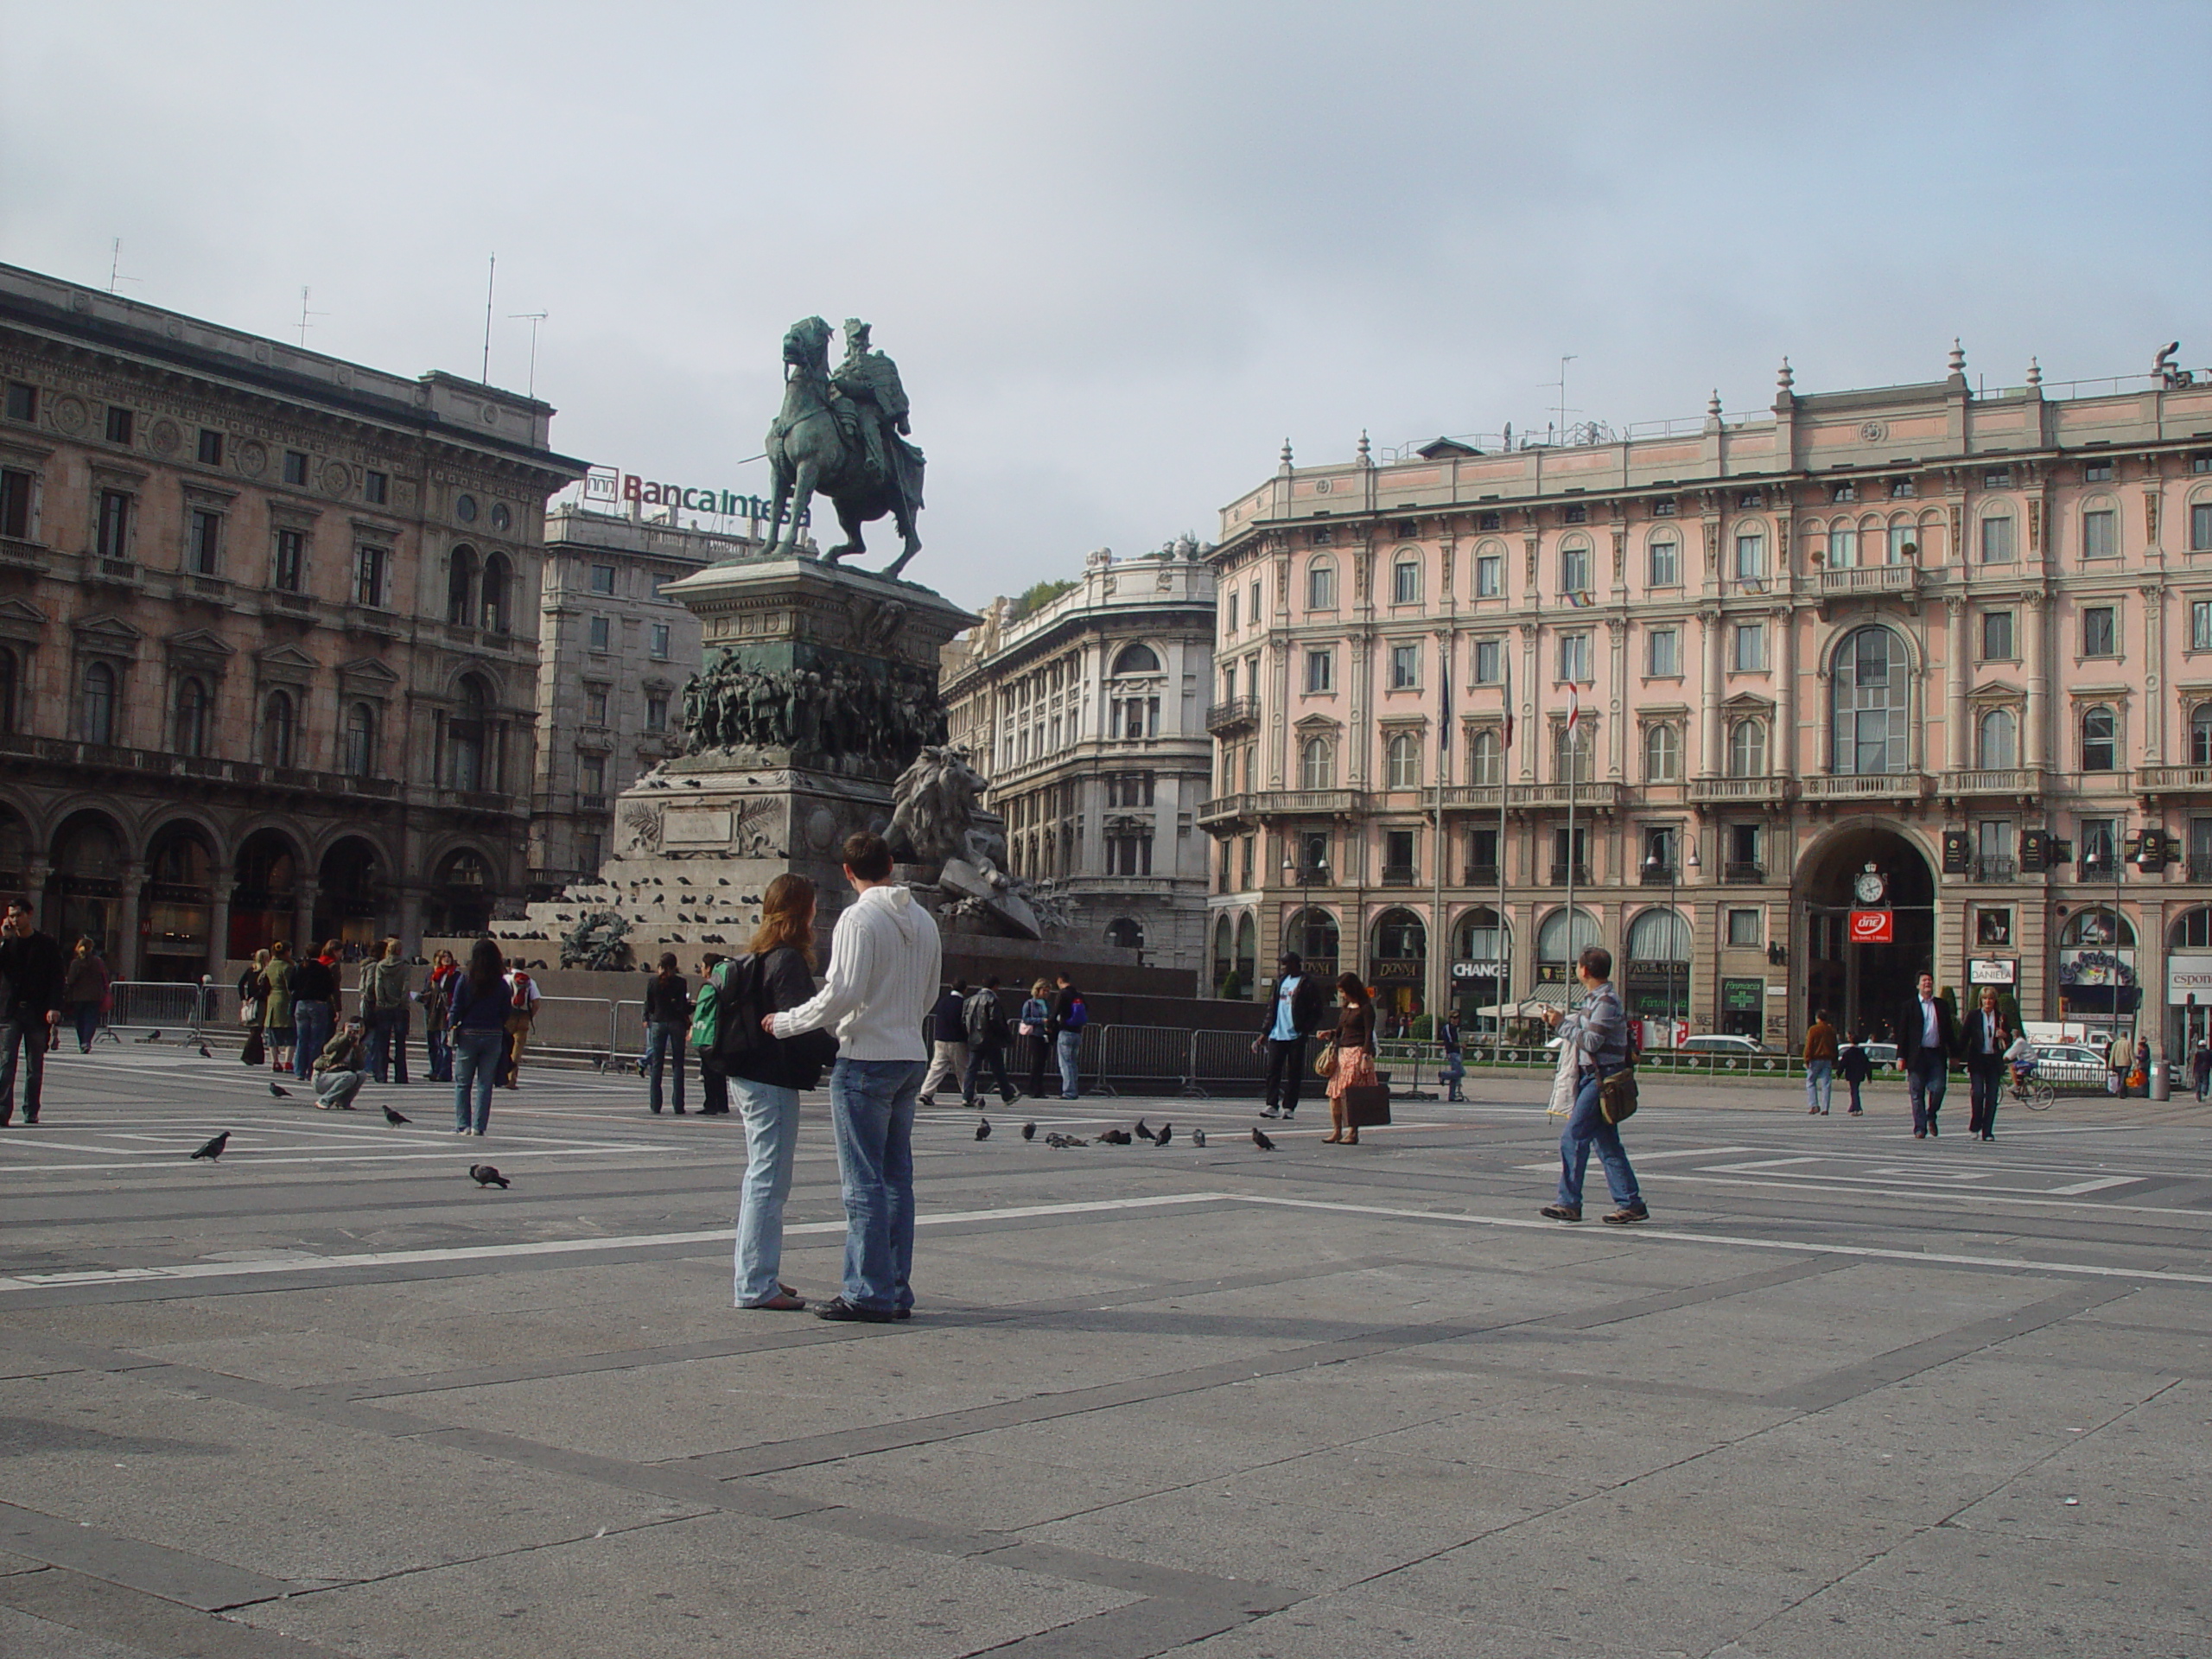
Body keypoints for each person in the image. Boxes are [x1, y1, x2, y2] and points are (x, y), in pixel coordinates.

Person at [765, 831, 941, 1323]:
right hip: (910, 1055)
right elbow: (929, 992)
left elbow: (841, 994)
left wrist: (786, 1022)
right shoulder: (924, 920)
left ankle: (866, 1292)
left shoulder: (858, 918)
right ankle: (895, 1290)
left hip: (866, 1058)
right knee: (895, 1180)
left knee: (862, 1182)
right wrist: (903, 1023)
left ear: (848, 871)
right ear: (890, 864)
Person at [725, 875, 836, 1310]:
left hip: (749, 1075)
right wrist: (841, 1052)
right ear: (802, 912)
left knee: (762, 1179)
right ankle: (755, 1283)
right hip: (770, 1080)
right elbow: (799, 1026)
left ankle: (759, 1272)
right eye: (812, 907)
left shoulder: (761, 953)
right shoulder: (787, 960)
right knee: (769, 1183)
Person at [1538, 946, 1647, 1224]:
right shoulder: (1594, 1000)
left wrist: (1562, 1024)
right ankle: (1631, 1203)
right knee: (1607, 1145)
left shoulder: (1606, 1001)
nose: (1577, 969)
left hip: (1602, 1079)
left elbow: (1591, 1041)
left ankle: (1569, 1202)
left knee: (1573, 1137)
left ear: (1585, 970)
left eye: (1577, 965)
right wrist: (1561, 1023)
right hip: (1593, 1077)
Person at [0, 899, 65, 1126]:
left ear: (29, 915)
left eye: (18, 915)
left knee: (34, 1066)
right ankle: (2, 1112)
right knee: (6, 1063)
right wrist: (4, 941)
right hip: (11, 1012)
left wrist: (54, 1006)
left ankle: (31, 1110)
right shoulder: (8, 943)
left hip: (37, 1012)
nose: (14, 920)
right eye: (11, 916)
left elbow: (57, 978)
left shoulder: (45, 944)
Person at [448, 938, 512, 1135]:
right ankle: (479, 1126)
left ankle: (463, 1125)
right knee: (485, 1084)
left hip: (468, 1033)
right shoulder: (500, 983)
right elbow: (506, 1010)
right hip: (493, 1034)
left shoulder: (466, 979)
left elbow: (456, 1007)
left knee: (463, 1082)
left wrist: (451, 1025)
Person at [1257, 951, 1331, 1121]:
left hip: (1295, 1034)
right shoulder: (1280, 981)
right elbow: (1272, 1008)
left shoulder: (1307, 983)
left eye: (1286, 964)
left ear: (1295, 964)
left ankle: (1289, 1107)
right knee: (1272, 1070)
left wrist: (1305, 1029)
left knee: (1294, 1072)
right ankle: (1271, 1105)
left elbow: (1317, 1009)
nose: (1283, 967)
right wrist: (1265, 1032)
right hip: (1277, 1033)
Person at [1897, 971, 1958, 1138]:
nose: (1927, 983)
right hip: (1917, 1056)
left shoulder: (1942, 1005)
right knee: (1917, 1092)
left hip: (1936, 1055)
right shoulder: (1909, 1006)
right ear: (1918, 985)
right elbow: (1902, 1033)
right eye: (1924, 981)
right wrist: (1901, 1057)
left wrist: (1954, 1054)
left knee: (1939, 1088)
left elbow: (1949, 1031)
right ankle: (1920, 1127)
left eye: (1930, 980)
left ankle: (1931, 1114)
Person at [1322, 972, 1377, 1145]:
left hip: (1357, 1051)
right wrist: (1329, 1034)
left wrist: (1366, 1055)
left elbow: (1369, 1034)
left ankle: (1353, 1132)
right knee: (1335, 1093)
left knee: (1351, 1093)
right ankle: (1337, 1130)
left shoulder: (1366, 1008)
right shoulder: (1346, 1008)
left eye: (1343, 991)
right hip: (1342, 1052)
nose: (1342, 995)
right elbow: (1340, 1031)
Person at [643, 953, 692, 1115]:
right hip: (676, 1022)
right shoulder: (680, 982)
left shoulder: (653, 982)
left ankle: (655, 1105)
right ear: (674, 966)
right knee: (678, 1064)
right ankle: (678, 1105)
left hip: (658, 1022)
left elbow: (649, 1003)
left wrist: (647, 1018)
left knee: (657, 1064)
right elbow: (682, 1006)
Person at [359, 938, 411, 1085]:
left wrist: (382, 1002)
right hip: (401, 1008)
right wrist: (401, 1001)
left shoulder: (380, 966)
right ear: (400, 950)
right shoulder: (405, 966)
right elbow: (406, 986)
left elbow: (378, 986)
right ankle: (401, 1076)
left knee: (382, 1043)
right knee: (400, 1043)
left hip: (383, 1008)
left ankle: (381, 1075)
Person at [961, 975, 1018, 1106]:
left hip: (974, 1039)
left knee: (972, 1068)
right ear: (995, 986)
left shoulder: (969, 1000)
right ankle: (1007, 1095)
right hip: (990, 1039)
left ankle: (967, 1096)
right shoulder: (993, 1000)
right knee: (998, 1068)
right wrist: (1005, 1036)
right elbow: (995, 1020)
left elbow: (964, 1020)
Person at [1961, 988, 2009, 1142]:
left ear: (1995, 1001)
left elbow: (2012, 1040)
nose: (1988, 1002)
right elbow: (1964, 1037)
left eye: (1990, 999)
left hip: (1993, 1060)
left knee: (1992, 1096)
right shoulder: (1974, 1016)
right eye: (1985, 999)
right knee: (1978, 1093)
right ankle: (1975, 1126)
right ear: (1981, 1000)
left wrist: (2005, 1036)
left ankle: (1987, 1131)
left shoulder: (2001, 1017)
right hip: (1977, 1060)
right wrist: (1956, 1055)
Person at [291, 940, 340, 1082]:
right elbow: (330, 988)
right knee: (316, 1040)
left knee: (302, 1039)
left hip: (300, 1005)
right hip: (318, 1005)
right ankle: (312, 1070)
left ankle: (299, 1071)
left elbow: (291, 985)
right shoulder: (322, 969)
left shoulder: (299, 967)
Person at [918, 980, 969, 1106]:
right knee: (963, 1069)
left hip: (940, 1038)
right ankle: (969, 1095)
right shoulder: (964, 1004)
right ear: (965, 989)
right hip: (957, 1040)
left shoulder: (942, 1002)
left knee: (937, 1068)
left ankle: (926, 1092)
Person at [692, 953, 731, 1116]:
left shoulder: (709, 987)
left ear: (709, 968)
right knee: (719, 1071)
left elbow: (702, 1009)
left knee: (709, 1071)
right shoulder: (725, 984)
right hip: (720, 1032)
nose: (701, 969)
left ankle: (711, 1104)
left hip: (707, 1033)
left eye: (702, 966)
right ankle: (722, 1103)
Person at [60, 936, 110, 1053]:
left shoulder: (76, 963)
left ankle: (82, 1041)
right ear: (91, 948)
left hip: (78, 996)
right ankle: (87, 1041)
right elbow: (104, 977)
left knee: (79, 1020)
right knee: (91, 1019)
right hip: (95, 996)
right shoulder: (98, 962)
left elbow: (71, 980)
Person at [311, 1017, 372, 1111]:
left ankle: (344, 1102)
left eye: (360, 1027)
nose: (357, 1030)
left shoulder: (361, 1046)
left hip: (340, 1076)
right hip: (322, 1076)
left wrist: (356, 1048)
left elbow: (360, 1066)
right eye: (353, 1027)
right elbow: (327, 1049)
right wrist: (345, 1036)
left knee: (361, 1074)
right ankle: (324, 1101)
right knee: (350, 1076)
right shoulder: (340, 1037)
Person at [500, 963, 540, 1088]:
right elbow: (536, 1002)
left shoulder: (506, 979)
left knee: (503, 1046)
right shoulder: (530, 981)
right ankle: (512, 1080)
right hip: (523, 1016)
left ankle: (500, 1076)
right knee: (517, 1050)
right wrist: (529, 1016)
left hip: (508, 1016)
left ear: (511, 965)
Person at [420, 950, 458, 1083]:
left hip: (445, 1010)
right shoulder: (433, 974)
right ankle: (434, 1069)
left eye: (449, 956)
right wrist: (423, 996)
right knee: (432, 1041)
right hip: (432, 1009)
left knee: (444, 1043)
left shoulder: (454, 974)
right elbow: (427, 989)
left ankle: (444, 1072)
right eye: (443, 957)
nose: (447, 959)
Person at [1050, 974, 1088, 1100]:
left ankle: (1068, 1091)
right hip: (1077, 1031)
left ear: (1060, 981)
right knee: (1073, 1063)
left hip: (1065, 1031)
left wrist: (1050, 1025)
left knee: (1065, 1063)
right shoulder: (1079, 994)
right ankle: (1074, 1089)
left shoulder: (1062, 994)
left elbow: (1055, 1012)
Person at [262, 941, 296, 1073]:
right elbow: (290, 987)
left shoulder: (269, 966)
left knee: (272, 1033)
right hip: (285, 1000)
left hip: (272, 999)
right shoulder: (287, 967)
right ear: (287, 952)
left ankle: (275, 1062)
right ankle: (288, 1062)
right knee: (290, 1033)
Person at [1019, 978, 1053, 1096]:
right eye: (1044, 990)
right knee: (1036, 1062)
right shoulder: (1030, 1003)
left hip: (1045, 1034)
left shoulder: (1047, 1004)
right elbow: (1026, 1019)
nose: (1046, 993)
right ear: (1038, 990)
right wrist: (1040, 1020)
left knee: (1042, 1063)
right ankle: (1033, 1088)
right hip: (1035, 1034)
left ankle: (1039, 1089)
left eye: (1048, 991)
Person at [238, 948, 271, 1067]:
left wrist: (244, 998)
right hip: (261, 1002)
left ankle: (258, 1057)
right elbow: (265, 989)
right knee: (257, 1029)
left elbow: (240, 984)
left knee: (256, 1028)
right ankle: (246, 1055)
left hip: (251, 1001)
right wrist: (255, 997)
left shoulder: (251, 970)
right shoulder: (265, 972)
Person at [1802, 1008, 1839, 1116]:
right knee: (1826, 1084)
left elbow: (1809, 1045)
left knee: (1810, 1082)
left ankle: (1814, 1105)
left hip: (1815, 1059)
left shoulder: (1813, 1029)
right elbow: (1835, 1046)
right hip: (1827, 1060)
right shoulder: (1831, 1030)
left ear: (1817, 1018)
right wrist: (1835, 1060)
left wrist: (1807, 1058)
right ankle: (1825, 1108)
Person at [1838, 1036, 1872, 1116]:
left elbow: (1843, 1064)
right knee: (1855, 1089)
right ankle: (1852, 1107)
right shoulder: (1862, 1053)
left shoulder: (1848, 1052)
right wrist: (1869, 1076)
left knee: (1854, 1091)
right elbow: (1867, 1065)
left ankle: (1857, 1108)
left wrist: (1839, 1073)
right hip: (1860, 1074)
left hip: (1851, 1074)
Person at [1438, 1012, 1465, 1102]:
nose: (1456, 1020)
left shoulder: (1456, 1028)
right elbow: (1450, 1041)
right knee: (1460, 1072)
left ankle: (1452, 1095)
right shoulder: (1448, 1027)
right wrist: (1460, 1045)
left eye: (1457, 1018)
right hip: (1452, 1052)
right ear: (1450, 1019)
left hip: (1457, 1052)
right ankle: (1443, 1075)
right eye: (1454, 1018)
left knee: (1455, 1077)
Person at [2106, 1030, 2133, 1098]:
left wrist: (2110, 1064)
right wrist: (2135, 1064)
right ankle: (2122, 1092)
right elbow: (2131, 1054)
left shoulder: (2116, 1043)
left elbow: (2112, 1055)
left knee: (2119, 1077)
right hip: (2126, 1063)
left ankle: (2120, 1092)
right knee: (2123, 1078)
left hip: (2118, 1063)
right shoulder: (2128, 1043)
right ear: (2126, 1036)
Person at [2193, 1037, 2211, 1103]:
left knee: (2198, 1083)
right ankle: (2204, 1091)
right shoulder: (2208, 1052)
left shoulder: (2197, 1053)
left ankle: (2198, 1097)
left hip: (2198, 1069)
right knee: (2205, 1081)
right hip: (2206, 1069)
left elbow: (2194, 1061)